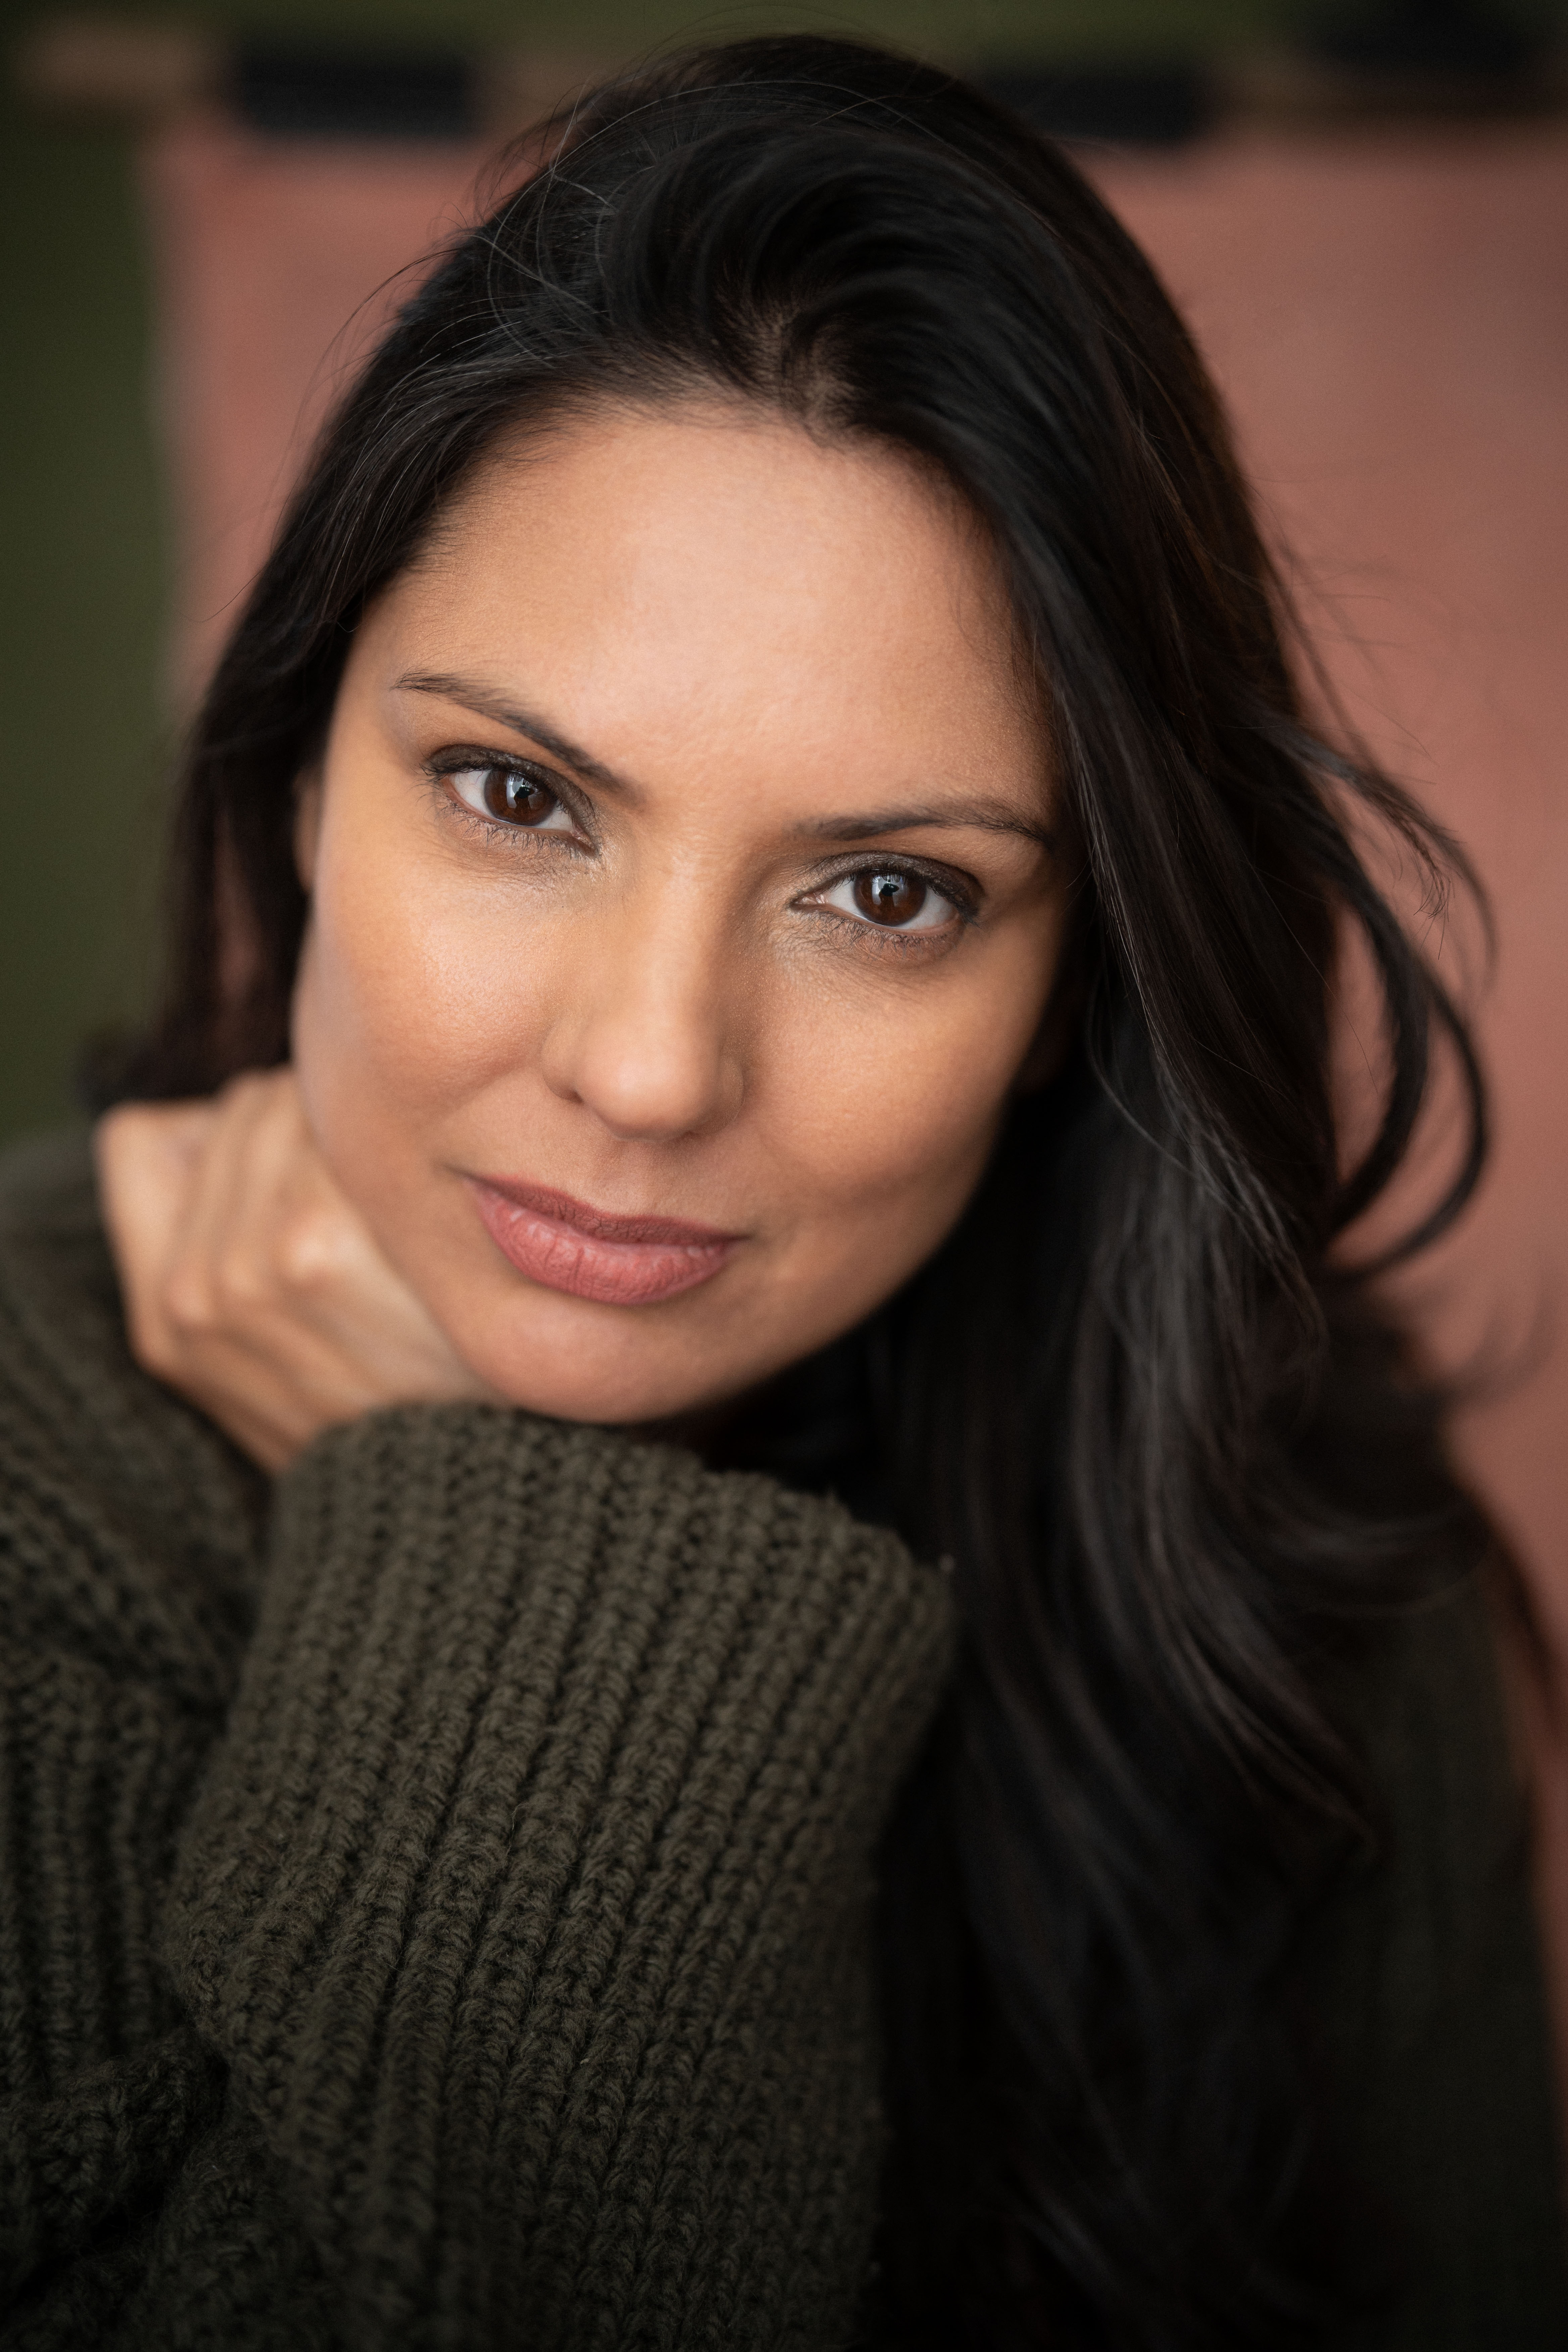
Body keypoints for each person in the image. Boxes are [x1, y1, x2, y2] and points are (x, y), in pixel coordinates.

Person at [0, 35, 1560, 2351]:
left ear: (1071, 986)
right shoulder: (33, 1503)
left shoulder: (1283, 1531)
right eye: (520, 801)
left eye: (890, 897)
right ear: (304, 774)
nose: (646, 1069)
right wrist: (526, 1574)